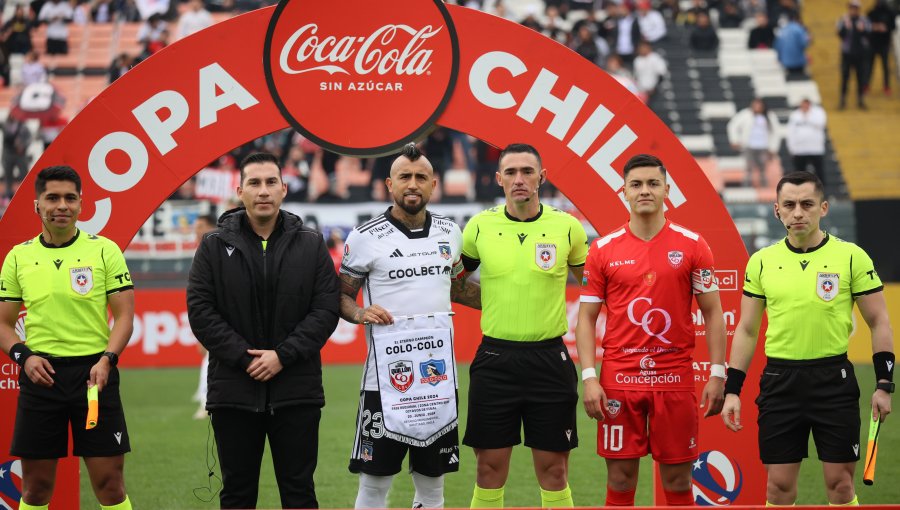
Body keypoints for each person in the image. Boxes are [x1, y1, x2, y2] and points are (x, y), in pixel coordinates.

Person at [722, 171, 894, 506]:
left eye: (806, 204)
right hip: (779, 382)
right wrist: (732, 391)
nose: (798, 212)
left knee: (840, 485)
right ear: (777, 210)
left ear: (824, 208)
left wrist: (884, 384)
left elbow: (880, 321)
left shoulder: (851, 257)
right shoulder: (761, 262)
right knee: (778, 488)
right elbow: (746, 329)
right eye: (789, 204)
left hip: (834, 381)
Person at [186, 152, 340, 509]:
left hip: (296, 389)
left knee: (299, 492)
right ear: (239, 191)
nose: (263, 190)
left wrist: (282, 356)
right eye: (254, 183)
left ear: (284, 189)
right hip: (234, 391)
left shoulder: (311, 243)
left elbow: (325, 308)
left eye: (271, 182)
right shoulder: (212, 246)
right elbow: (201, 311)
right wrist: (244, 358)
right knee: (237, 495)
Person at [574, 154, 726, 506]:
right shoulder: (602, 250)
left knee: (677, 481)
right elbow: (586, 318)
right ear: (623, 191)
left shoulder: (693, 245)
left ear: (667, 190)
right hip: (618, 383)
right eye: (636, 184)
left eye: (653, 183)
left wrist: (718, 373)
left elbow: (714, 313)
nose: (645, 190)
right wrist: (588, 377)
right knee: (620, 478)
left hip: (674, 380)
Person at [339, 143, 481, 509]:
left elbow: (459, 288)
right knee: (374, 483)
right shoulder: (365, 237)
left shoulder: (451, 233)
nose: (413, 184)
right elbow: (339, 297)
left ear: (434, 184)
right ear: (390, 184)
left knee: (433, 485)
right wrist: (359, 314)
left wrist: (518, 299)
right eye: (405, 177)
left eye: (421, 177)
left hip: (437, 380)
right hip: (384, 383)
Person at [0, 165, 135, 510]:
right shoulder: (19, 256)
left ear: (80, 204)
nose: (61, 205)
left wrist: (107, 360)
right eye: (52, 198)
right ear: (37, 205)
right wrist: (23, 357)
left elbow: (124, 317)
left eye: (69, 198)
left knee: (109, 484)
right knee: (35, 489)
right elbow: (3, 323)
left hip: (94, 381)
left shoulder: (104, 250)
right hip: (41, 380)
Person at [461, 143, 588, 508]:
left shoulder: (567, 227)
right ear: (498, 179)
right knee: (488, 468)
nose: (519, 179)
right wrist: (495, 301)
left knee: (554, 471)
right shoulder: (479, 227)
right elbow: (454, 282)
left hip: (549, 359)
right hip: (495, 359)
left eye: (527, 172)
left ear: (541, 178)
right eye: (511, 173)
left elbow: (593, 289)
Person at [191, 213, 216, 420]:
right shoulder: (204, 250)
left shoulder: (217, 249)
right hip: (209, 316)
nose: (197, 230)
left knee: (210, 358)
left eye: (200, 226)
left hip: (219, 316)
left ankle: (206, 401)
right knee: (209, 358)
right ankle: (205, 399)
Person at [727, 98, 781, 189]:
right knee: (748, 167)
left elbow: (776, 132)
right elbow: (732, 125)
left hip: (764, 146)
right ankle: (746, 186)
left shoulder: (769, 116)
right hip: (749, 146)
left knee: (763, 168)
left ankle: (764, 187)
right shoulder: (745, 114)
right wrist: (734, 140)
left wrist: (773, 148)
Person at [837, 0, 872, 109]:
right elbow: (840, 34)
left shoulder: (864, 20)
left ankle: (860, 100)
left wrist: (862, 30)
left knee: (860, 78)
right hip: (847, 53)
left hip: (860, 53)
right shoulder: (843, 19)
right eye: (852, 8)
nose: (853, 10)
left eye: (855, 8)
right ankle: (843, 100)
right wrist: (845, 28)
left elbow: (869, 34)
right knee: (845, 77)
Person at [786, 99, 828, 187]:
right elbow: (790, 132)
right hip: (799, 149)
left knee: (819, 171)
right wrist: (791, 147)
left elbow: (821, 123)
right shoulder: (795, 115)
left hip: (815, 149)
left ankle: (821, 190)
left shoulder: (818, 113)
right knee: (799, 173)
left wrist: (807, 116)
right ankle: (800, 190)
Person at [866, 0, 896, 95]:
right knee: (869, 67)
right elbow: (866, 25)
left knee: (885, 67)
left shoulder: (889, 12)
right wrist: (874, 27)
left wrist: (885, 27)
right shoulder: (871, 12)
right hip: (873, 44)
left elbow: (893, 26)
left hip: (884, 44)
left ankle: (886, 86)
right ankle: (866, 85)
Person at [774, 12, 810, 79]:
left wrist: (780, 59)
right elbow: (804, 44)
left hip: (786, 62)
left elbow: (777, 46)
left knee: (791, 83)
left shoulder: (782, 30)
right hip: (798, 61)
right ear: (798, 20)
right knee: (799, 82)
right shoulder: (799, 29)